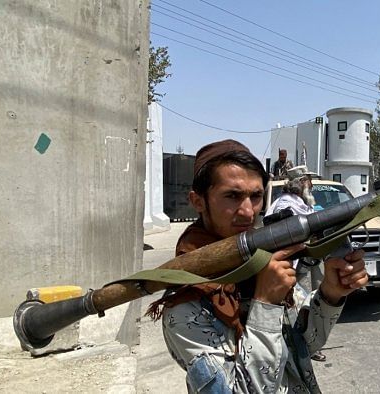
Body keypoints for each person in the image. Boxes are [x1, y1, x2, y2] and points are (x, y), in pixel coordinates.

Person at [149, 139, 368, 392]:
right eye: (232, 196)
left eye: (256, 196)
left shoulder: (260, 262)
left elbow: (303, 345)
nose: (248, 212)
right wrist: (265, 304)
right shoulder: (185, 303)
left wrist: (331, 293)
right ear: (198, 201)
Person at [265, 166, 327, 362]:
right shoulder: (287, 205)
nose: (311, 185)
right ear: (301, 184)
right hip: (292, 265)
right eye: (308, 181)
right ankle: (306, 346)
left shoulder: (293, 202)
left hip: (298, 262)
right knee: (302, 307)